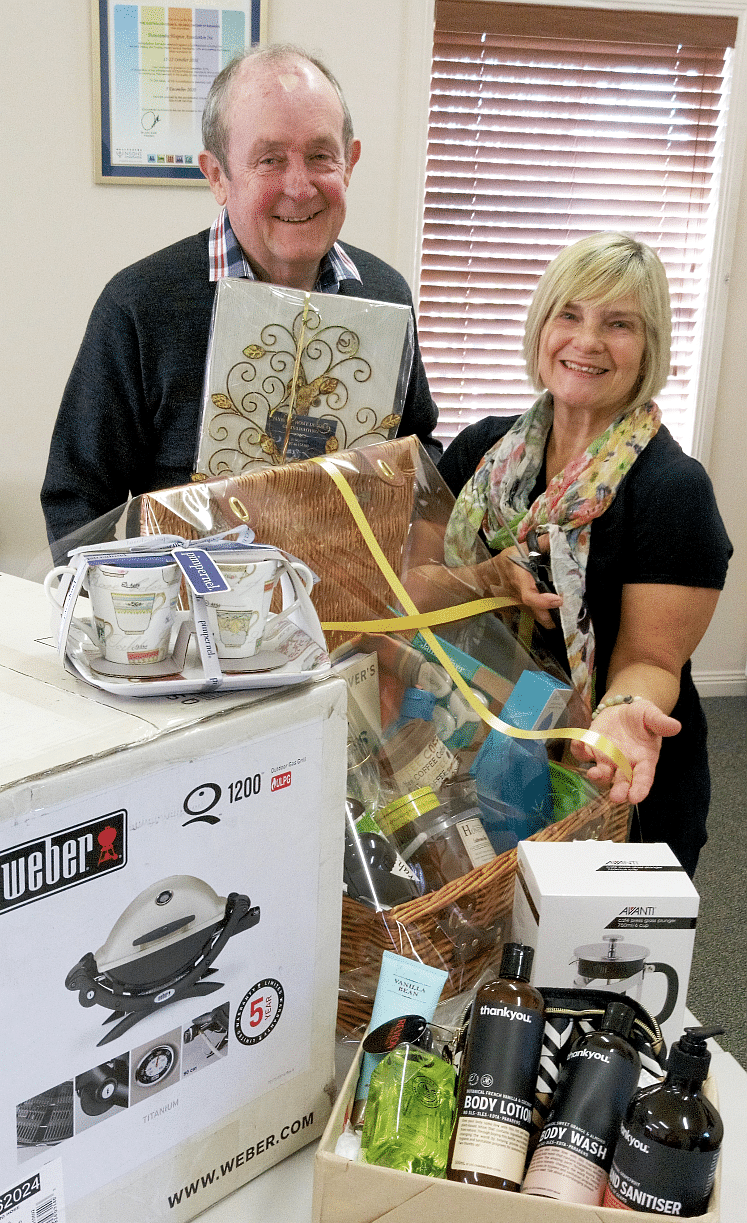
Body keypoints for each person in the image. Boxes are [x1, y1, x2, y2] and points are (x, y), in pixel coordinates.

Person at [41, 45, 440, 546]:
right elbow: (77, 500)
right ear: (217, 176)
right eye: (269, 160)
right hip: (190, 593)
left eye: (320, 156)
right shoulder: (139, 306)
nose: (300, 187)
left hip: (352, 592)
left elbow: (418, 452)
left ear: (349, 163)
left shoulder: (385, 294)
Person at [436, 233, 731, 877]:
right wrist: (486, 578)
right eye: (569, 314)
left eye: (619, 324)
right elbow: (411, 586)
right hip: (477, 751)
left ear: (649, 347)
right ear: (542, 327)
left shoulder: (672, 490)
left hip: (613, 776)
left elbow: (651, 660)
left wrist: (620, 718)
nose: (588, 340)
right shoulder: (482, 454)